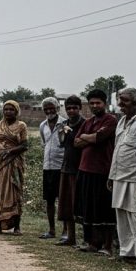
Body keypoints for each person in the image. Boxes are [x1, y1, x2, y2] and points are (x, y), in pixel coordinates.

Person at [108, 88, 136, 266]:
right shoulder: (121, 122)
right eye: (120, 100)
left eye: (125, 101)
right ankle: (127, 253)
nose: (121, 104)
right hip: (118, 176)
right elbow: (117, 149)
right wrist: (111, 175)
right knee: (121, 215)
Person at [73, 89, 117, 254]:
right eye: (91, 103)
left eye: (98, 103)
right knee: (88, 207)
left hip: (102, 170)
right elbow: (76, 143)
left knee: (103, 208)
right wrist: (89, 137)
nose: (94, 106)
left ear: (104, 103)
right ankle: (91, 242)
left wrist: (86, 137)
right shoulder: (89, 121)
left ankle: (106, 245)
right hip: (85, 169)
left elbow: (99, 138)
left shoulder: (111, 120)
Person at [0, 100, 28, 235]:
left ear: (16, 111)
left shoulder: (21, 126)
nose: (8, 112)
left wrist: (9, 151)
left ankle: (17, 227)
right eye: (6, 109)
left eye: (11, 109)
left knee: (14, 193)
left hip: (13, 163)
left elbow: (24, 145)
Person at [56, 96, 85, 246]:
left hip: (80, 167)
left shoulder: (85, 124)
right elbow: (61, 143)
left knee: (79, 204)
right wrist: (63, 132)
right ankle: (70, 236)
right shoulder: (64, 124)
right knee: (66, 204)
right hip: (66, 166)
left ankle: (87, 239)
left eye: (74, 108)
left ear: (79, 108)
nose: (71, 111)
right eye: (69, 108)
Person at [38, 97, 67, 239]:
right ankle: (51, 230)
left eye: (52, 108)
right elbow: (44, 144)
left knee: (64, 199)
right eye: (46, 109)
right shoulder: (42, 125)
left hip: (62, 166)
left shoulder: (64, 123)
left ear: (57, 108)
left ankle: (66, 231)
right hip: (47, 166)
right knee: (49, 200)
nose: (49, 111)